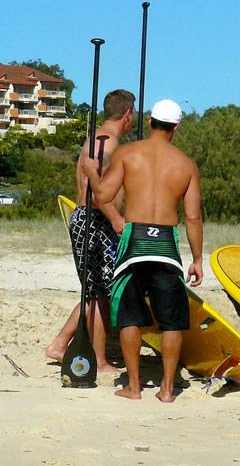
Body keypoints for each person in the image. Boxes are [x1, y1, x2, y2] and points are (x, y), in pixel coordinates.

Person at [83, 99, 202, 402]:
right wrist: (198, 259)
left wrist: (92, 171)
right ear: (176, 128)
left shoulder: (127, 153)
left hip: (134, 240)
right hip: (165, 243)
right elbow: (192, 217)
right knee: (171, 320)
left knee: (129, 316)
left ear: (149, 121)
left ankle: (134, 387)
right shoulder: (186, 165)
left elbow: (102, 196)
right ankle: (167, 389)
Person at [45, 89, 135, 373]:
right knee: (99, 293)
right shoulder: (106, 145)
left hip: (91, 220)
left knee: (95, 291)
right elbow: (94, 193)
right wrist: (117, 220)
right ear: (128, 115)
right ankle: (99, 359)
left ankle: (60, 344)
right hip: (96, 220)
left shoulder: (97, 139)